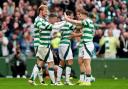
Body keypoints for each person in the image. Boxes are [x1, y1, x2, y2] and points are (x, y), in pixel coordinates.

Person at [28, 4, 65, 85]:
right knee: (40, 62)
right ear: (41, 11)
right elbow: (48, 27)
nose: (47, 12)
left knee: (45, 62)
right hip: (40, 43)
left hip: (45, 44)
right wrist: (64, 22)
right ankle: (35, 80)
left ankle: (49, 82)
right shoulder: (38, 20)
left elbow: (52, 27)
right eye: (45, 11)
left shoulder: (43, 20)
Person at [65, 8, 95, 86]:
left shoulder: (87, 21)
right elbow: (78, 27)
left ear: (84, 15)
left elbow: (77, 23)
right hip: (83, 44)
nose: (78, 16)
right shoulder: (84, 23)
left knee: (87, 62)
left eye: (80, 14)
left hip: (87, 44)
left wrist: (67, 19)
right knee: (80, 61)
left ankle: (88, 81)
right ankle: (82, 79)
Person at [56, 10, 75, 85]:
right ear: (69, 16)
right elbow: (77, 26)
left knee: (62, 62)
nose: (73, 17)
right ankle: (67, 81)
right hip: (65, 44)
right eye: (72, 15)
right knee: (70, 61)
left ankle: (58, 81)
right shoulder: (69, 23)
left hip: (61, 43)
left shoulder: (61, 23)